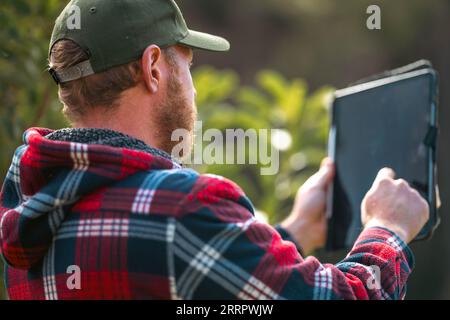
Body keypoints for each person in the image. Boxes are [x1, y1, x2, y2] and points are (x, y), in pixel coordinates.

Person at [0, 0, 428, 300]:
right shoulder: (183, 208)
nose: (191, 82)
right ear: (153, 68)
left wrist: (293, 232)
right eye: (187, 63)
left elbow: (176, 269)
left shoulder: (32, 212)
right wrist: (388, 229)